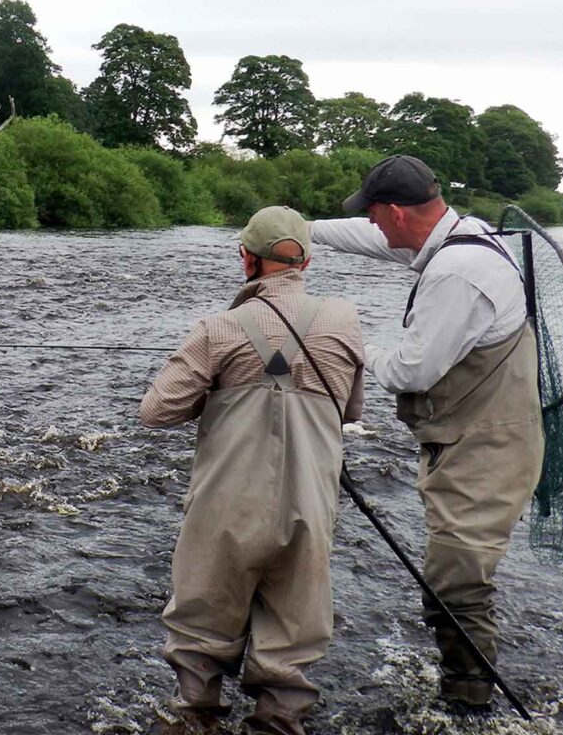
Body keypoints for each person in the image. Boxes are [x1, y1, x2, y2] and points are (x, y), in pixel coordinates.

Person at [311, 155, 544, 708]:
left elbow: (409, 372)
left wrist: (343, 345)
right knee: (455, 574)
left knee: (454, 580)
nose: (371, 225)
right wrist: (303, 229)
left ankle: (469, 700)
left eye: (373, 214)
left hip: (487, 447)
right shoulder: (464, 235)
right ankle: (466, 687)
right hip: (477, 434)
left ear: (395, 212)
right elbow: (372, 241)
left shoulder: (457, 274)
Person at [140, 206, 365, 735]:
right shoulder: (344, 320)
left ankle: (195, 717)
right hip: (310, 507)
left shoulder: (218, 328)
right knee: (291, 646)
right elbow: (350, 411)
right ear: (306, 260)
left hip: (226, 508)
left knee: (200, 632)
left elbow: (156, 412)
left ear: (247, 258)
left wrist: (215, 388)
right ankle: (280, 719)